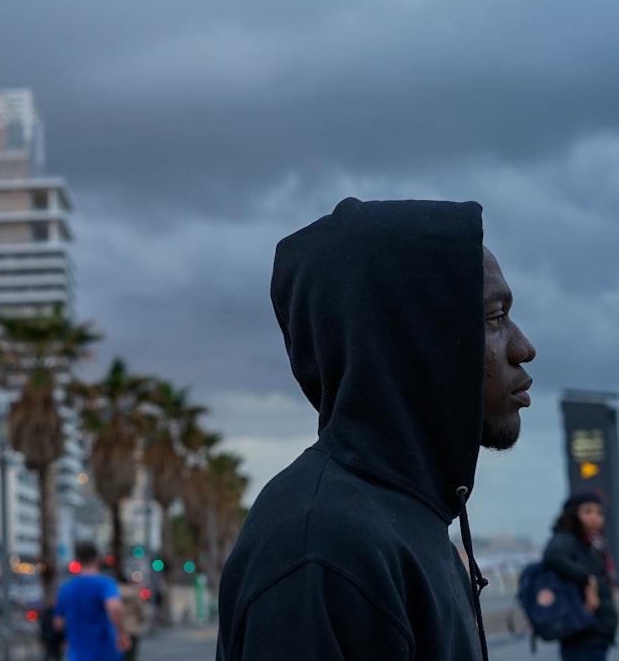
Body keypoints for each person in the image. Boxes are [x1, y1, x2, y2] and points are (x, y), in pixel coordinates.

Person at [216, 198, 537, 661]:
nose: (523, 348)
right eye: (493, 319)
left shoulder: (412, 521)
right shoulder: (321, 549)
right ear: (409, 338)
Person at [543, 490, 618, 660]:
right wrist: (588, 579)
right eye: (587, 511)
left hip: (594, 632)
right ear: (573, 514)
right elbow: (553, 556)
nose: (594, 517)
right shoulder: (568, 539)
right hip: (583, 631)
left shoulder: (593, 544)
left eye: (599, 512)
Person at [54, 542, 131, 661]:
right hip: (105, 651)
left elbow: (59, 622)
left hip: (76, 654)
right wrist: (122, 633)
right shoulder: (105, 583)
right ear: (97, 560)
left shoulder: (65, 588)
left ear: (78, 561)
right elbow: (114, 607)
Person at [117, 578, 147, 661]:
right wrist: (141, 620)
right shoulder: (134, 593)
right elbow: (141, 611)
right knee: (130, 656)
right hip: (132, 628)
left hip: (117, 628)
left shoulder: (112, 592)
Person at [40, 594, 65, 661]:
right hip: (48, 639)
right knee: (48, 656)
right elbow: (43, 627)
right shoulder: (45, 613)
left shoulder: (57, 612)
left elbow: (61, 626)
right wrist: (42, 638)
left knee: (57, 656)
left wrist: (62, 638)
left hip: (56, 639)